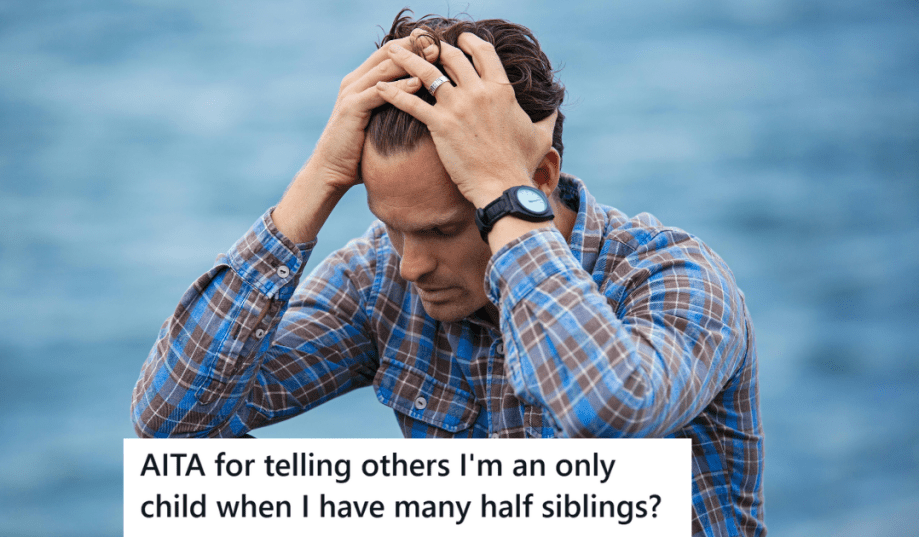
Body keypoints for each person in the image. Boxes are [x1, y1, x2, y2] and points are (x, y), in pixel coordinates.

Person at [131, 10, 765, 536]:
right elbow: (173, 427)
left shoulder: (674, 277)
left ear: (539, 178)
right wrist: (318, 181)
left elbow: (605, 409)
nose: (410, 264)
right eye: (390, 225)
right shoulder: (380, 280)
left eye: (440, 229)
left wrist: (503, 193)